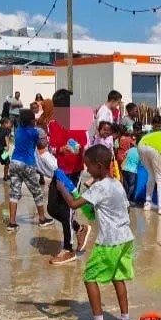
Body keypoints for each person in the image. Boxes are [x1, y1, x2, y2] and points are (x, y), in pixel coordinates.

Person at [55, 145, 135, 320]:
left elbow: (74, 204)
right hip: (125, 238)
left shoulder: (99, 187)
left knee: (90, 277)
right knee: (118, 277)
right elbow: (126, 209)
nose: (87, 170)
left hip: (109, 241)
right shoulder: (116, 183)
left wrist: (62, 188)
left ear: (99, 166)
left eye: (88, 167)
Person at [44, 90, 91, 263]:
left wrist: (79, 149)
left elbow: (86, 144)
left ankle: (68, 249)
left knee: (69, 208)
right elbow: (51, 148)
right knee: (52, 208)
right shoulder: (53, 124)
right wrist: (60, 149)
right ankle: (79, 229)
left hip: (74, 171)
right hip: (59, 170)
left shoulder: (80, 121)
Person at [6, 108, 53, 232]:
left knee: (14, 193)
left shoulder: (18, 131)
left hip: (14, 162)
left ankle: (12, 223)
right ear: (31, 121)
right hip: (27, 164)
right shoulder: (34, 132)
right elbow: (40, 146)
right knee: (37, 192)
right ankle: (42, 219)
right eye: (34, 119)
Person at [137, 115, 161, 215]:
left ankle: (148, 204)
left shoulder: (148, 134)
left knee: (151, 175)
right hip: (155, 149)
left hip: (141, 146)